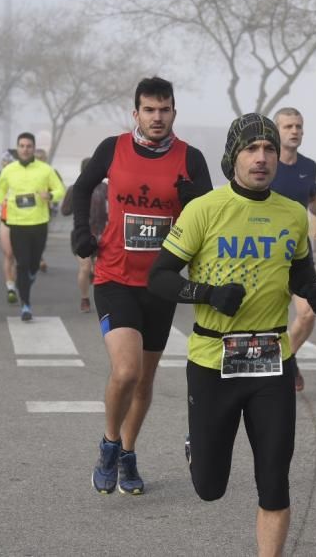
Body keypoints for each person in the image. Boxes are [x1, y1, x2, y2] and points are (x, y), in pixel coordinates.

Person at [148, 113, 316, 556]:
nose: (262, 157)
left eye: (269, 149)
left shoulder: (291, 214)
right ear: (233, 157)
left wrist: (313, 290)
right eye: (252, 149)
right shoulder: (205, 209)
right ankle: (199, 446)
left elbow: (301, 274)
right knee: (210, 486)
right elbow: (160, 277)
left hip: (272, 360)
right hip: (214, 362)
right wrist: (206, 293)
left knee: (274, 478)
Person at [71, 76, 212, 495]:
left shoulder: (191, 158)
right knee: (126, 369)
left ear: (173, 112)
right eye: (149, 110)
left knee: (146, 380)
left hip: (161, 284)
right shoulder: (113, 149)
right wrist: (83, 232)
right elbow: (82, 187)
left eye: (164, 109)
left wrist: (193, 201)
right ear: (136, 113)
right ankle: (110, 444)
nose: (156, 117)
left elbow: (208, 218)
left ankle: (129, 454)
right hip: (114, 276)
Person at [268, 107, 316, 392]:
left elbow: (312, 197)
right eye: (288, 126)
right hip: (264, 252)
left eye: (299, 126)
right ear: (276, 130)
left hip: (298, 253)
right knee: (266, 317)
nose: (295, 131)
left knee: (307, 314)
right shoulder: (265, 163)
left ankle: (285, 358)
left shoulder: (309, 166)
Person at [0, 133, 65, 321]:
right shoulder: (9, 170)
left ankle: (29, 278)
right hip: (17, 223)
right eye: (22, 146)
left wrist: (50, 196)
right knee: (22, 264)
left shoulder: (46, 170)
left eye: (28, 146)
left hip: (39, 222)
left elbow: (60, 189)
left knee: (33, 265)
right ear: (17, 148)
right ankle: (25, 304)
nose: (25, 149)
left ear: (33, 148)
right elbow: (0, 188)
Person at [60, 157, 108, 313]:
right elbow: (65, 211)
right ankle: (85, 298)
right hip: (81, 235)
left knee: (99, 269)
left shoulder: (106, 188)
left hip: (102, 234)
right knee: (85, 267)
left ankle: (95, 281)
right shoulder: (75, 188)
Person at [0, 150, 19, 303]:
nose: (6, 165)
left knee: (17, 257)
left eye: (8, 162)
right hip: (5, 219)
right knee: (9, 254)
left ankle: (15, 284)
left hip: (22, 220)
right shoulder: (3, 178)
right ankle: (10, 287)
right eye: (4, 163)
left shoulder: (23, 177)